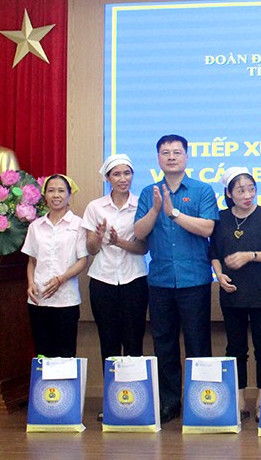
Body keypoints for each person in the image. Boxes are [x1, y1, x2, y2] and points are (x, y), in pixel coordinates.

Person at [133, 134, 218, 423]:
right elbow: (140, 233)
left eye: (177, 152)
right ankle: (170, 402)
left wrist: (173, 213)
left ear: (186, 157)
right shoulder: (148, 193)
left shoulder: (202, 190)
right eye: (165, 152)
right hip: (160, 281)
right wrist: (157, 210)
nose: (171, 157)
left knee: (198, 344)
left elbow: (207, 228)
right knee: (164, 344)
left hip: (194, 280)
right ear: (158, 158)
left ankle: (201, 402)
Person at [210, 167, 261, 422]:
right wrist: (219, 276)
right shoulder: (220, 218)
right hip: (232, 293)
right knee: (235, 347)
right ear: (229, 193)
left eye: (251, 189)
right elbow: (215, 254)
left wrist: (249, 256)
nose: (247, 195)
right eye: (241, 190)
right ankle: (239, 398)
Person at [83, 154, 149, 364]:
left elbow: (143, 248)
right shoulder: (95, 207)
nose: (123, 178)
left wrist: (118, 241)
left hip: (134, 280)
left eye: (127, 173)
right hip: (103, 281)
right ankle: (113, 396)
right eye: (117, 174)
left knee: (134, 342)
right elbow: (91, 249)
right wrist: (99, 236)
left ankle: (135, 395)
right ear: (108, 178)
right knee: (108, 343)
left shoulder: (141, 205)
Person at [21, 174, 88, 358]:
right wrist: (30, 284)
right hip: (39, 300)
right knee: (43, 353)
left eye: (61, 190)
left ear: (69, 195)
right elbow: (32, 261)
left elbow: (83, 260)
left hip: (66, 300)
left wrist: (61, 279)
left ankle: (64, 389)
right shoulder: (36, 226)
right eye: (51, 191)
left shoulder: (79, 224)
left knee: (65, 354)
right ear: (45, 195)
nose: (56, 195)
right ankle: (46, 389)